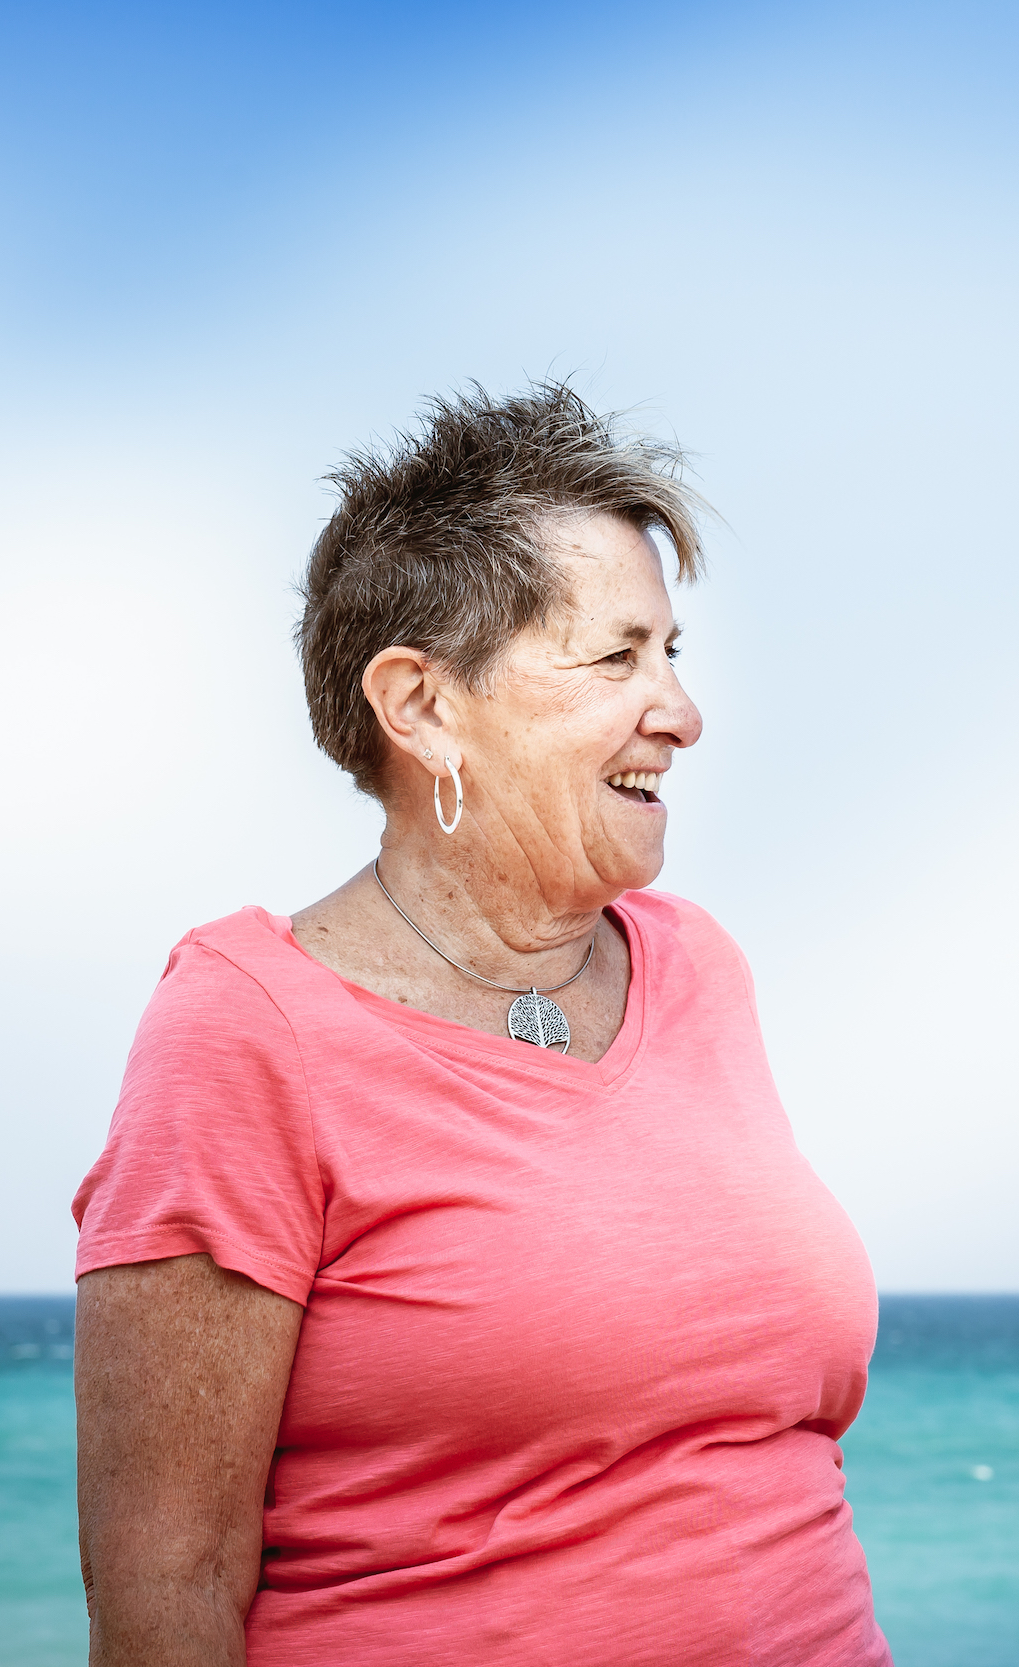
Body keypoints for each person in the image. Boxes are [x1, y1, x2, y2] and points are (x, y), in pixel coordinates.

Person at [72, 384, 891, 1667]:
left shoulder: (698, 965)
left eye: (673, 653)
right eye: (615, 656)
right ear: (423, 706)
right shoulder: (245, 1027)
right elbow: (167, 1588)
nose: (677, 709)